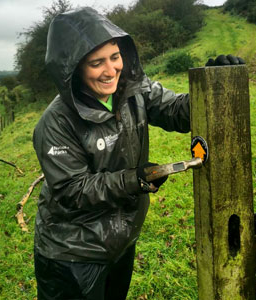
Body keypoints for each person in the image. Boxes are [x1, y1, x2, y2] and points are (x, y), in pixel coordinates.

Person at [33, 6, 243, 300]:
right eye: (97, 63)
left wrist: (211, 84)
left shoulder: (134, 89)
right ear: (74, 68)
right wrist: (134, 181)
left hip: (122, 240)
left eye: (115, 57)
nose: (111, 71)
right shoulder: (56, 122)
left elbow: (176, 111)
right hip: (72, 254)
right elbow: (73, 190)